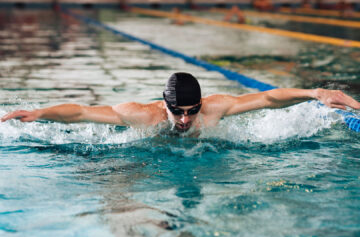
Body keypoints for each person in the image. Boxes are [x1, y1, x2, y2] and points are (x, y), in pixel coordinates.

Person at [1, 72, 360, 135]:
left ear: (202, 102)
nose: (185, 120)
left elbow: (267, 99)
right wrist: (40, 113)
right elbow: (79, 112)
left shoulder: (216, 107)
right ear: (165, 104)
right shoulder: (143, 115)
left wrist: (314, 94)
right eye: (178, 112)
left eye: (192, 111)